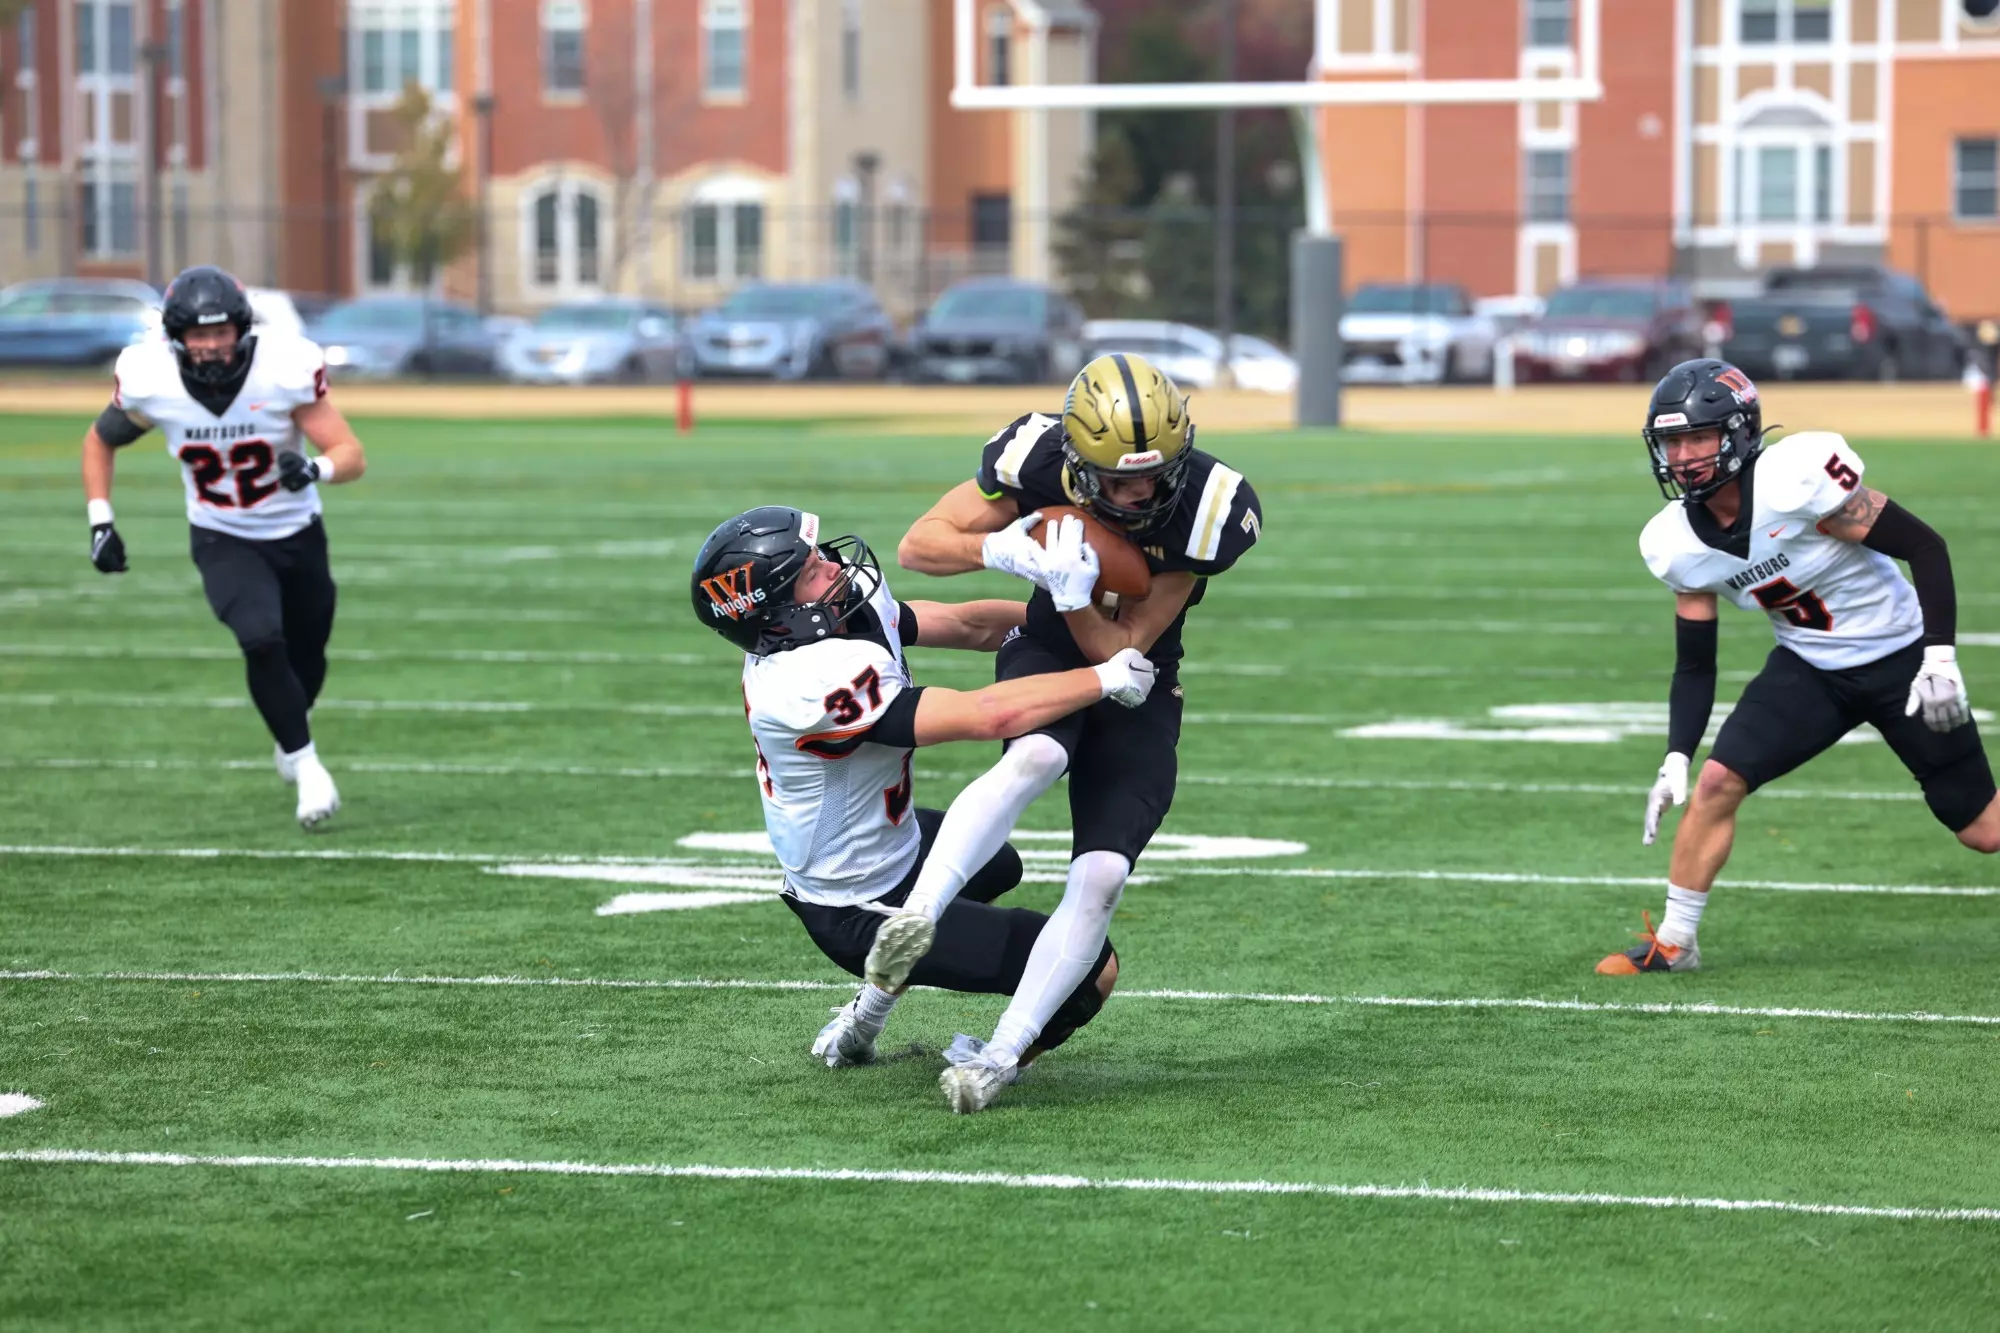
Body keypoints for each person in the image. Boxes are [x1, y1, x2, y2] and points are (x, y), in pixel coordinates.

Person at [881, 352, 1262, 1113]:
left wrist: (1075, 590)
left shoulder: (1214, 506)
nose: (1139, 494)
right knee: (1036, 753)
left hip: (1141, 674)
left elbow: (1121, 650)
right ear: (1079, 466)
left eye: (1154, 476)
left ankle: (1000, 1054)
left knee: (1103, 876)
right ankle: (917, 915)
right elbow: (919, 545)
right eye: (1118, 480)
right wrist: (999, 547)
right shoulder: (1037, 453)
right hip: (1045, 643)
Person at [690, 505, 1158, 1072]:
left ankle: (870, 1008)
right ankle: (994, 1063)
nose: (831, 566)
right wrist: (1104, 676)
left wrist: (1072, 615)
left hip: (894, 839)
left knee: (998, 863)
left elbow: (969, 625)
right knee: (1094, 971)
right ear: (780, 614)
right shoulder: (805, 683)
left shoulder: (833, 617)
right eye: (809, 570)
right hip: (854, 901)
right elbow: (986, 716)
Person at [1602, 358, 1999, 975]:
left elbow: (1926, 547)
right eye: (1672, 442)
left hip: (1901, 658)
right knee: (1715, 783)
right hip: (1811, 668)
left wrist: (1938, 654)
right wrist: (1677, 754)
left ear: (1737, 434)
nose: (1682, 457)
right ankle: (1676, 943)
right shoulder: (1674, 543)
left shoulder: (1798, 479)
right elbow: (1695, 664)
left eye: (1697, 438)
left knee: (1983, 831)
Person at [80, 265, 367, 828]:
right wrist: (100, 520)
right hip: (222, 535)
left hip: (297, 534)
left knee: (307, 658)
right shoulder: (151, 381)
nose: (210, 347)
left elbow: (351, 452)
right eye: (198, 335)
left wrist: (315, 467)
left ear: (241, 330)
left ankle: (291, 734)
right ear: (175, 338)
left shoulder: (281, 370)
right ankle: (308, 767)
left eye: (220, 333)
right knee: (261, 639)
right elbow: (99, 440)